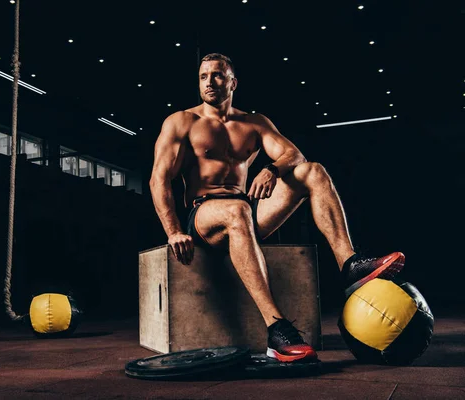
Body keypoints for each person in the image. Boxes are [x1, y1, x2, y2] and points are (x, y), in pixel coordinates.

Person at [148, 53, 405, 363]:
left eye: (217, 75)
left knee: (314, 171)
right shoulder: (182, 121)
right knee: (237, 210)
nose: (210, 82)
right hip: (204, 215)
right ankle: (276, 328)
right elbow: (158, 179)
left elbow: (293, 155)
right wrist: (174, 231)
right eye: (203, 77)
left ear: (233, 82)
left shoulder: (254, 123)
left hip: (243, 211)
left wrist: (272, 169)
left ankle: (349, 264)